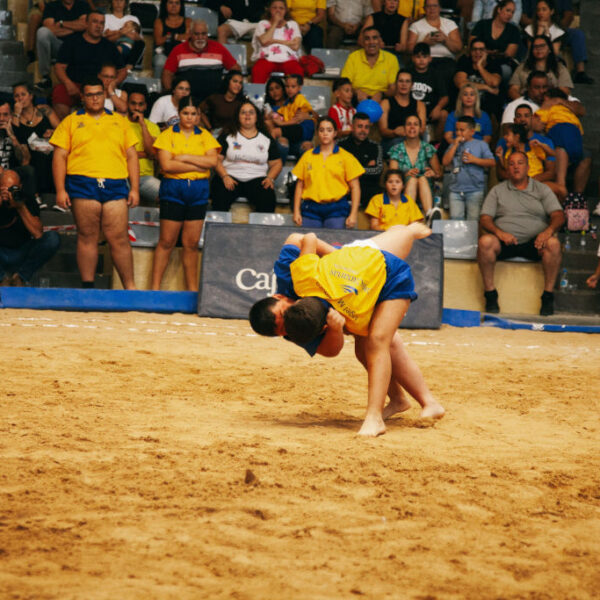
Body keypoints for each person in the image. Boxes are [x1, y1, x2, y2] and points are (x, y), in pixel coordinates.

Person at [249, 223, 444, 436]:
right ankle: (401, 401)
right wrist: (334, 329)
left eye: (283, 314)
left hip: (355, 267)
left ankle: (382, 413)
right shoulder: (294, 328)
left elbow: (300, 236)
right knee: (372, 346)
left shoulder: (293, 275)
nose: (286, 324)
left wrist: (341, 259)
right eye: (283, 330)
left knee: (404, 235)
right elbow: (330, 350)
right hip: (356, 304)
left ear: (279, 297)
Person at [50, 77, 140, 289]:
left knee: (118, 237)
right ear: (82, 97)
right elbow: (59, 156)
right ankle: (88, 287)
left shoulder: (120, 121)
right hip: (82, 182)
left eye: (98, 94)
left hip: (116, 183)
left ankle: (130, 287)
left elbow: (132, 156)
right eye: (89, 95)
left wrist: (135, 188)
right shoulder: (70, 121)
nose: (95, 98)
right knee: (87, 235)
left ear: (105, 94)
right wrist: (60, 189)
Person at [477, 151, 564, 316]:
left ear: (528, 167)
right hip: (505, 241)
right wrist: (499, 233)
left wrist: (547, 232)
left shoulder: (541, 189)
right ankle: (490, 295)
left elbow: (558, 215)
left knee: (553, 244)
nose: (516, 167)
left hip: (535, 242)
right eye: (511, 164)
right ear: (508, 169)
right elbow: (485, 218)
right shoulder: (497, 190)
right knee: (485, 242)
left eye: (520, 163)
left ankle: (548, 296)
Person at [151, 96, 220, 291]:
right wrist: (198, 163)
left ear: (198, 115)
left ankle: (191, 291)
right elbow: (166, 165)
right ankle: (154, 290)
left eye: (193, 114)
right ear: (178, 114)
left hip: (198, 191)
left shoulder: (205, 135)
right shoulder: (167, 135)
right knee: (166, 241)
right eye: (185, 113)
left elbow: (213, 162)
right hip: (173, 188)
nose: (189, 118)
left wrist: (184, 157)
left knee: (191, 244)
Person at [52, 10, 126, 120]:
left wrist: (113, 84)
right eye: (95, 22)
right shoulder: (72, 42)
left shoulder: (110, 47)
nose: (98, 26)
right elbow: (59, 67)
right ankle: (66, 130)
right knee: (60, 92)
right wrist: (68, 83)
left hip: (100, 89)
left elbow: (122, 71)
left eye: (101, 23)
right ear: (86, 23)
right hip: (75, 86)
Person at [292, 117, 364, 229]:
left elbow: (355, 187)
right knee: (310, 243)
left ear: (335, 133)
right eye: (322, 130)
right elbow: (299, 186)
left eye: (329, 130)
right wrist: (296, 211)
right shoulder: (307, 156)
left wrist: (353, 214)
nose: (325, 133)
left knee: (334, 244)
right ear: (317, 133)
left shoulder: (346, 157)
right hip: (310, 208)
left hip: (337, 208)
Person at [212, 101, 282, 213]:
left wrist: (270, 178)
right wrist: (224, 176)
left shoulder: (266, 138)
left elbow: (277, 163)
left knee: (267, 199)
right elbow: (216, 159)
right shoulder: (227, 134)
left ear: (256, 117)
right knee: (219, 194)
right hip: (230, 177)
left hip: (257, 179)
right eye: (243, 112)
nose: (247, 115)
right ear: (237, 116)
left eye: (251, 112)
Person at [0, 168, 60, 287]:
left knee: (52, 239)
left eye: (13, 189)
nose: (9, 193)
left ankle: (21, 277)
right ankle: (2, 278)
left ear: (20, 187)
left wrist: (20, 207)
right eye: (5, 189)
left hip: (22, 250)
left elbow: (38, 234)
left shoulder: (27, 199)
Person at [496, 103, 565, 200]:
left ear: (532, 119)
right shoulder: (505, 142)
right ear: (515, 120)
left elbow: (551, 172)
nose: (523, 119)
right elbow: (500, 172)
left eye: (526, 116)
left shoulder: (542, 142)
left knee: (561, 190)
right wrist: (518, 181)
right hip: (512, 183)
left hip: (537, 183)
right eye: (519, 116)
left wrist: (529, 182)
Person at [532, 88, 589, 201]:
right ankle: (572, 194)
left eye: (545, 98)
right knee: (570, 152)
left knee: (561, 149)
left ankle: (561, 184)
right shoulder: (568, 111)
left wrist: (545, 107)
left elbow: (537, 122)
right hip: (575, 132)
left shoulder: (550, 107)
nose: (543, 101)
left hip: (559, 128)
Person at [162, 20, 240, 101]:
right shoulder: (178, 50)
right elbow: (167, 74)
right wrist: (171, 95)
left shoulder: (218, 48)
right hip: (187, 100)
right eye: (196, 34)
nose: (200, 38)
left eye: (203, 34)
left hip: (214, 100)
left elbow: (236, 69)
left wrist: (226, 90)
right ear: (190, 34)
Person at [521, 0, 593, 84]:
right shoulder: (530, 28)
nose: (541, 13)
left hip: (558, 26)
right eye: (539, 10)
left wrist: (555, 27)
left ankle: (580, 72)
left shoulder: (558, 31)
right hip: (534, 27)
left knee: (578, 34)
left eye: (544, 10)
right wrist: (538, 27)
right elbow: (523, 18)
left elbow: (569, 15)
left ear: (551, 11)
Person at [389, 114, 442, 224]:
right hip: (403, 190)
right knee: (413, 180)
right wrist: (406, 175)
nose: (412, 127)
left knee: (422, 178)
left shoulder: (428, 148)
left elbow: (439, 174)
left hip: (426, 190)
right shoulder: (396, 149)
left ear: (420, 129)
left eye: (415, 124)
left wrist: (433, 173)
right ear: (404, 129)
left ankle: (429, 215)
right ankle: (409, 216)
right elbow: (392, 176)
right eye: (409, 124)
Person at [442, 115, 495, 220]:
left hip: (474, 190)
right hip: (455, 190)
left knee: (473, 220)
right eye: (456, 130)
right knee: (456, 221)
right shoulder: (453, 145)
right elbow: (445, 162)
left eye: (462, 130)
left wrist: (475, 160)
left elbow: (492, 162)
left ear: (472, 131)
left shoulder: (481, 144)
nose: (458, 133)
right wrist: (455, 145)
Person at [12, 83, 60, 196]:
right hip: (28, 154)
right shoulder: (15, 117)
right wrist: (17, 113)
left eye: (23, 94)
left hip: (48, 149)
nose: (20, 99)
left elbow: (62, 129)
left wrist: (53, 132)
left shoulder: (44, 109)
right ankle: (35, 195)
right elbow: (15, 135)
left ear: (31, 96)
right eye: (16, 96)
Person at [35, 0, 90, 91]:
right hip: (58, 46)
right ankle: (45, 77)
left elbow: (85, 25)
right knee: (42, 32)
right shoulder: (51, 6)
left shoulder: (83, 5)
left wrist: (61, 23)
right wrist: (76, 27)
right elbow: (50, 29)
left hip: (78, 47)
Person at [407, 0, 462, 86]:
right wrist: (424, 43)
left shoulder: (450, 24)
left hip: (446, 62)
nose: (432, 9)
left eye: (435, 6)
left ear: (440, 8)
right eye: (429, 6)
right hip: (424, 61)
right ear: (424, 9)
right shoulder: (416, 25)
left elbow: (458, 48)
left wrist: (445, 40)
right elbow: (409, 49)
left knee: (450, 70)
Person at [250, 0, 304, 84]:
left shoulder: (292, 24)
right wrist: (275, 23)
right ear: (269, 10)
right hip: (267, 58)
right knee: (258, 70)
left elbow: (296, 46)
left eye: (281, 8)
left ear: (285, 11)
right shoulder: (262, 23)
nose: (278, 10)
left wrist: (273, 41)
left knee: (297, 71)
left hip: (288, 59)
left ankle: (296, 97)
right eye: (274, 8)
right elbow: (264, 41)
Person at [340, 27, 399, 103]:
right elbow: (345, 83)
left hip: (382, 100)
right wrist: (356, 91)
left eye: (375, 38)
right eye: (367, 39)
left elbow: (393, 88)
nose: (371, 42)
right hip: (356, 99)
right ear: (363, 42)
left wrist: (382, 94)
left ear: (380, 41)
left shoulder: (391, 59)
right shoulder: (353, 57)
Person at [508, 35, 573, 103]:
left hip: (552, 104)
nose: (538, 49)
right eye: (535, 47)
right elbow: (513, 90)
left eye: (542, 46)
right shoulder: (522, 67)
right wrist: (524, 104)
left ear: (549, 49)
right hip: (525, 104)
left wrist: (549, 103)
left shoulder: (560, 68)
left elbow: (564, 91)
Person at [264, 74, 316, 158]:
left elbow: (300, 118)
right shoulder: (287, 104)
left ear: (299, 87)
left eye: (293, 86)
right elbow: (280, 115)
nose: (289, 89)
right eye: (287, 86)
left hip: (301, 130)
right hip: (291, 133)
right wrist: (271, 117)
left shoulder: (299, 99)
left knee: (276, 131)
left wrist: (309, 115)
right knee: (276, 133)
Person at [338, 112, 384, 208]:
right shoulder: (340, 145)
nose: (363, 130)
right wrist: (366, 167)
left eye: (366, 127)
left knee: (378, 193)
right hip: (346, 187)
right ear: (352, 126)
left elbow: (377, 170)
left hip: (368, 189)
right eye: (360, 126)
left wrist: (351, 169)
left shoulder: (375, 146)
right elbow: (338, 170)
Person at [378, 69, 427, 157]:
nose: (404, 84)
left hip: (413, 139)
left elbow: (422, 129)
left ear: (412, 85)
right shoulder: (386, 103)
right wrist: (394, 132)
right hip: (392, 141)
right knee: (398, 144)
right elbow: (383, 131)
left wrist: (407, 131)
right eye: (401, 81)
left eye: (407, 81)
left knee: (423, 141)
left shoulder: (419, 104)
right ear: (396, 83)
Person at [470, 0, 520, 82]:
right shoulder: (482, 24)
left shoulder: (514, 30)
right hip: (479, 59)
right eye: (507, 10)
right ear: (499, 9)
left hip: (501, 63)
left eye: (512, 12)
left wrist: (486, 51)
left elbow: (509, 54)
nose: (510, 15)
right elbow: (472, 45)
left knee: (506, 71)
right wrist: (492, 53)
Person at [454, 37, 503, 120]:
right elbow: (461, 84)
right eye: (474, 49)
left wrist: (479, 66)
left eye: (481, 50)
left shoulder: (493, 63)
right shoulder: (464, 61)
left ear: (486, 52)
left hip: (487, 104)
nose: (477, 52)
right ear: (470, 52)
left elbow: (494, 83)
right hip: (465, 103)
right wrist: (486, 87)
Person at [408, 43, 448, 143]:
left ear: (430, 58)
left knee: (444, 114)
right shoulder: (408, 73)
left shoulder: (436, 74)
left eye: (424, 57)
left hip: (431, 111)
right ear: (413, 58)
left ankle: (436, 144)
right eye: (418, 57)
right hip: (412, 110)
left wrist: (438, 108)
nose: (421, 60)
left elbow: (445, 97)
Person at [126, 90, 161, 205]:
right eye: (133, 103)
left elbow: (151, 153)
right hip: (123, 176)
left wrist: (143, 126)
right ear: (127, 104)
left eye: (140, 104)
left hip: (144, 176)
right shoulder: (118, 123)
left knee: (169, 196)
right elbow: (117, 153)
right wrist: (142, 154)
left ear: (145, 106)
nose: (136, 107)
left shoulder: (152, 127)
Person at [444, 82, 492, 147]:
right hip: (457, 148)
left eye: (472, 94)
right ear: (461, 98)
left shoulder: (484, 116)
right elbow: (448, 137)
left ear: (476, 98)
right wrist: (458, 146)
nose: (469, 97)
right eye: (465, 94)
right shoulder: (453, 115)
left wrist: (477, 149)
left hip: (478, 150)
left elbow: (487, 138)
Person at [152, 0, 191, 79]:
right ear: (165, 5)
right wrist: (178, 37)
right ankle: (158, 89)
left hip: (181, 53)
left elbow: (188, 38)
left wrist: (169, 36)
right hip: (163, 53)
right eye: (170, 2)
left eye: (177, 3)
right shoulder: (159, 21)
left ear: (181, 6)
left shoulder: (188, 21)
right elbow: (158, 41)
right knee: (160, 62)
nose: (174, 6)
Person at [103, 0, 145, 71]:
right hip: (112, 48)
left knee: (140, 43)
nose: (118, 2)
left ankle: (129, 66)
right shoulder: (106, 17)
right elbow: (107, 38)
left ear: (125, 3)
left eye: (121, 0)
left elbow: (138, 37)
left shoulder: (133, 18)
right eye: (116, 0)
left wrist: (123, 33)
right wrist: (122, 33)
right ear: (111, 2)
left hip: (130, 48)